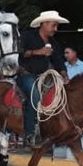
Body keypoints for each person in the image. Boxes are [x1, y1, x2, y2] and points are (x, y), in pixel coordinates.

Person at [17, 10, 69, 147]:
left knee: (59, 97)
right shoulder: (27, 36)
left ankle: (52, 133)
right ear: (44, 24)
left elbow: (59, 61)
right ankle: (29, 133)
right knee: (34, 96)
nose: (55, 29)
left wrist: (64, 75)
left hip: (44, 77)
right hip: (26, 74)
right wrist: (38, 52)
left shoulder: (54, 42)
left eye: (56, 26)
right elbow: (19, 52)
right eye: (53, 25)